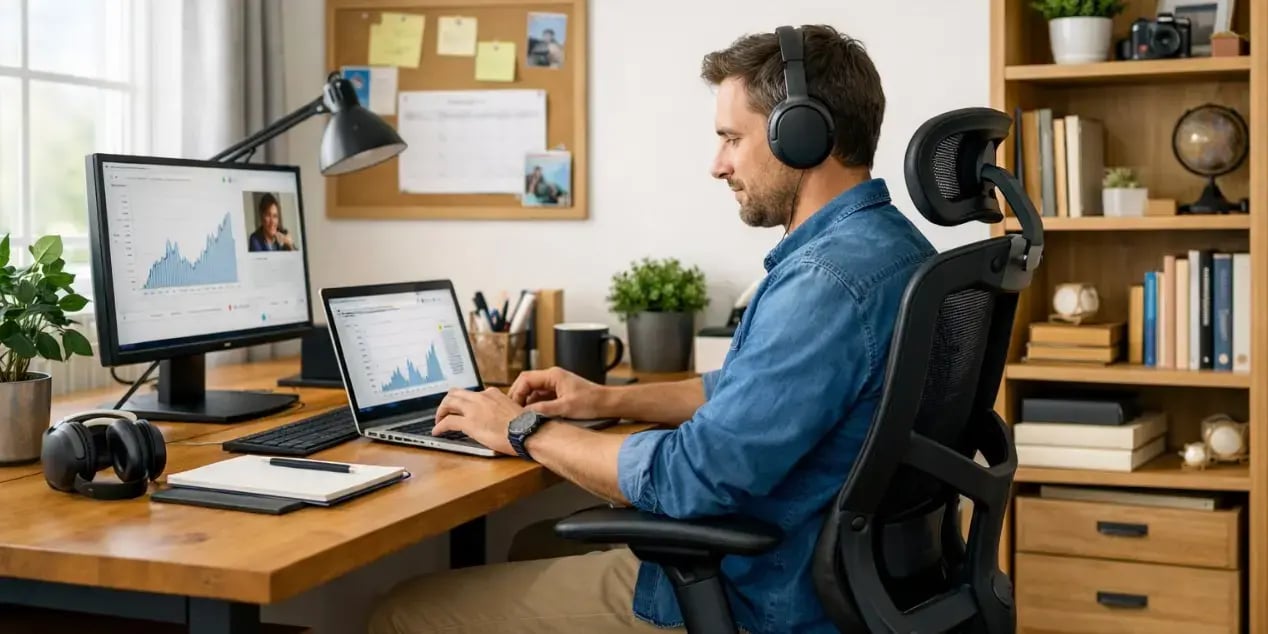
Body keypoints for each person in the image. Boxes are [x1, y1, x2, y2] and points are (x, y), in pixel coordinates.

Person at [368, 24, 936, 634]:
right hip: (855, 576)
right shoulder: (893, 249)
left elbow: (692, 477)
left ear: (800, 135)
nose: (717, 165)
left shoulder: (825, 284)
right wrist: (605, 400)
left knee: (402, 611)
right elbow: (750, 393)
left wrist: (523, 428)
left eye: (731, 138)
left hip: (766, 595)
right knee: (532, 541)